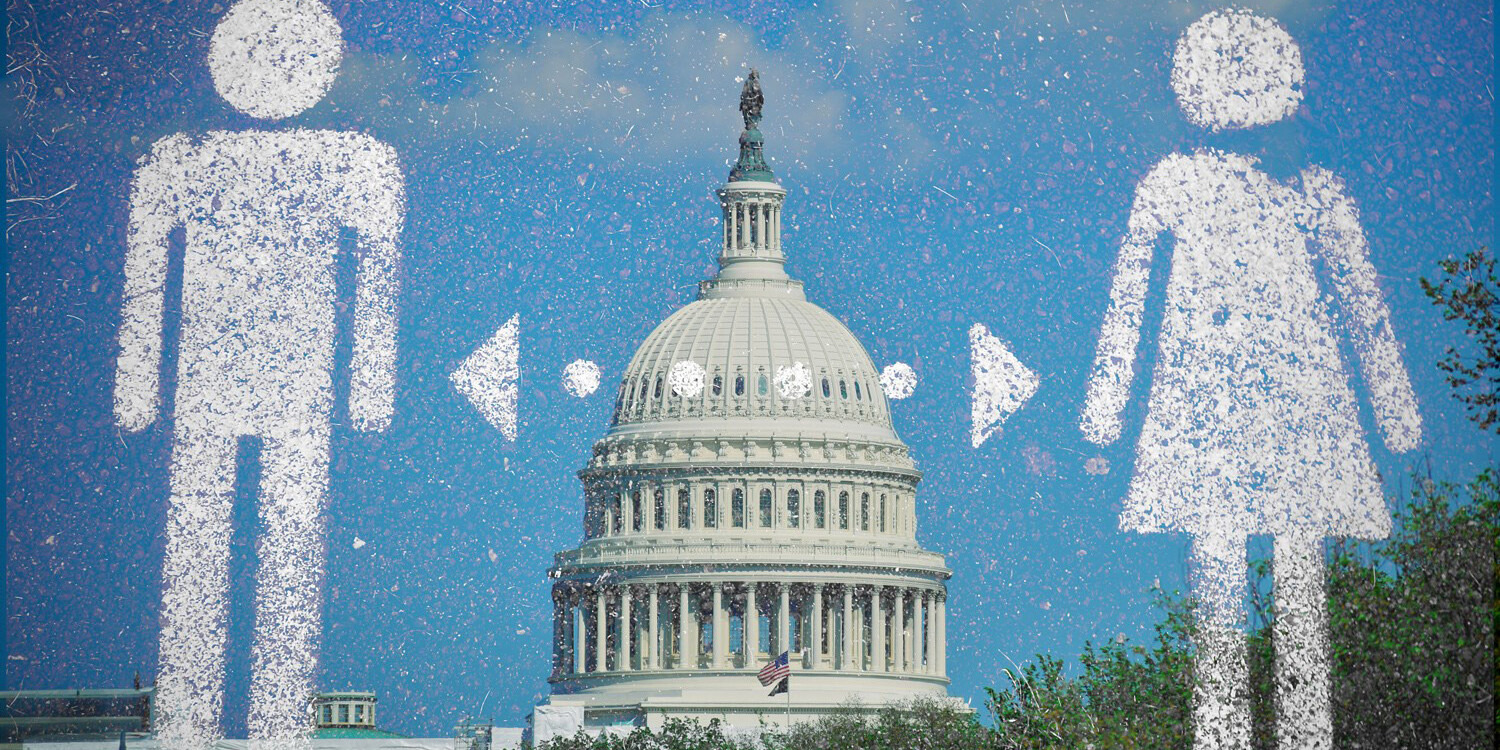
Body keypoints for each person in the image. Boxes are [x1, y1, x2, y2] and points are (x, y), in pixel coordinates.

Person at [1080, 9, 1421, 750]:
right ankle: (1299, 733)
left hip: (1215, 405)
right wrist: (1397, 415)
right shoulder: (1314, 188)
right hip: (1300, 405)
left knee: (1223, 586)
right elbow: (1365, 307)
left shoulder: (1170, 184)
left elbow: (1125, 306)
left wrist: (1104, 414)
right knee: (1297, 587)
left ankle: (1226, 732)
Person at [113, 1, 404, 748]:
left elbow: (145, 274)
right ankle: (203, 724)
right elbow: (377, 274)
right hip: (264, 385)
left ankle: (249, 726)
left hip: (242, 386)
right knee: (245, 565)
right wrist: (369, 389)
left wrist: (137, 388)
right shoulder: (347, 158)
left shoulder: (187, 156)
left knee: (247, 566)